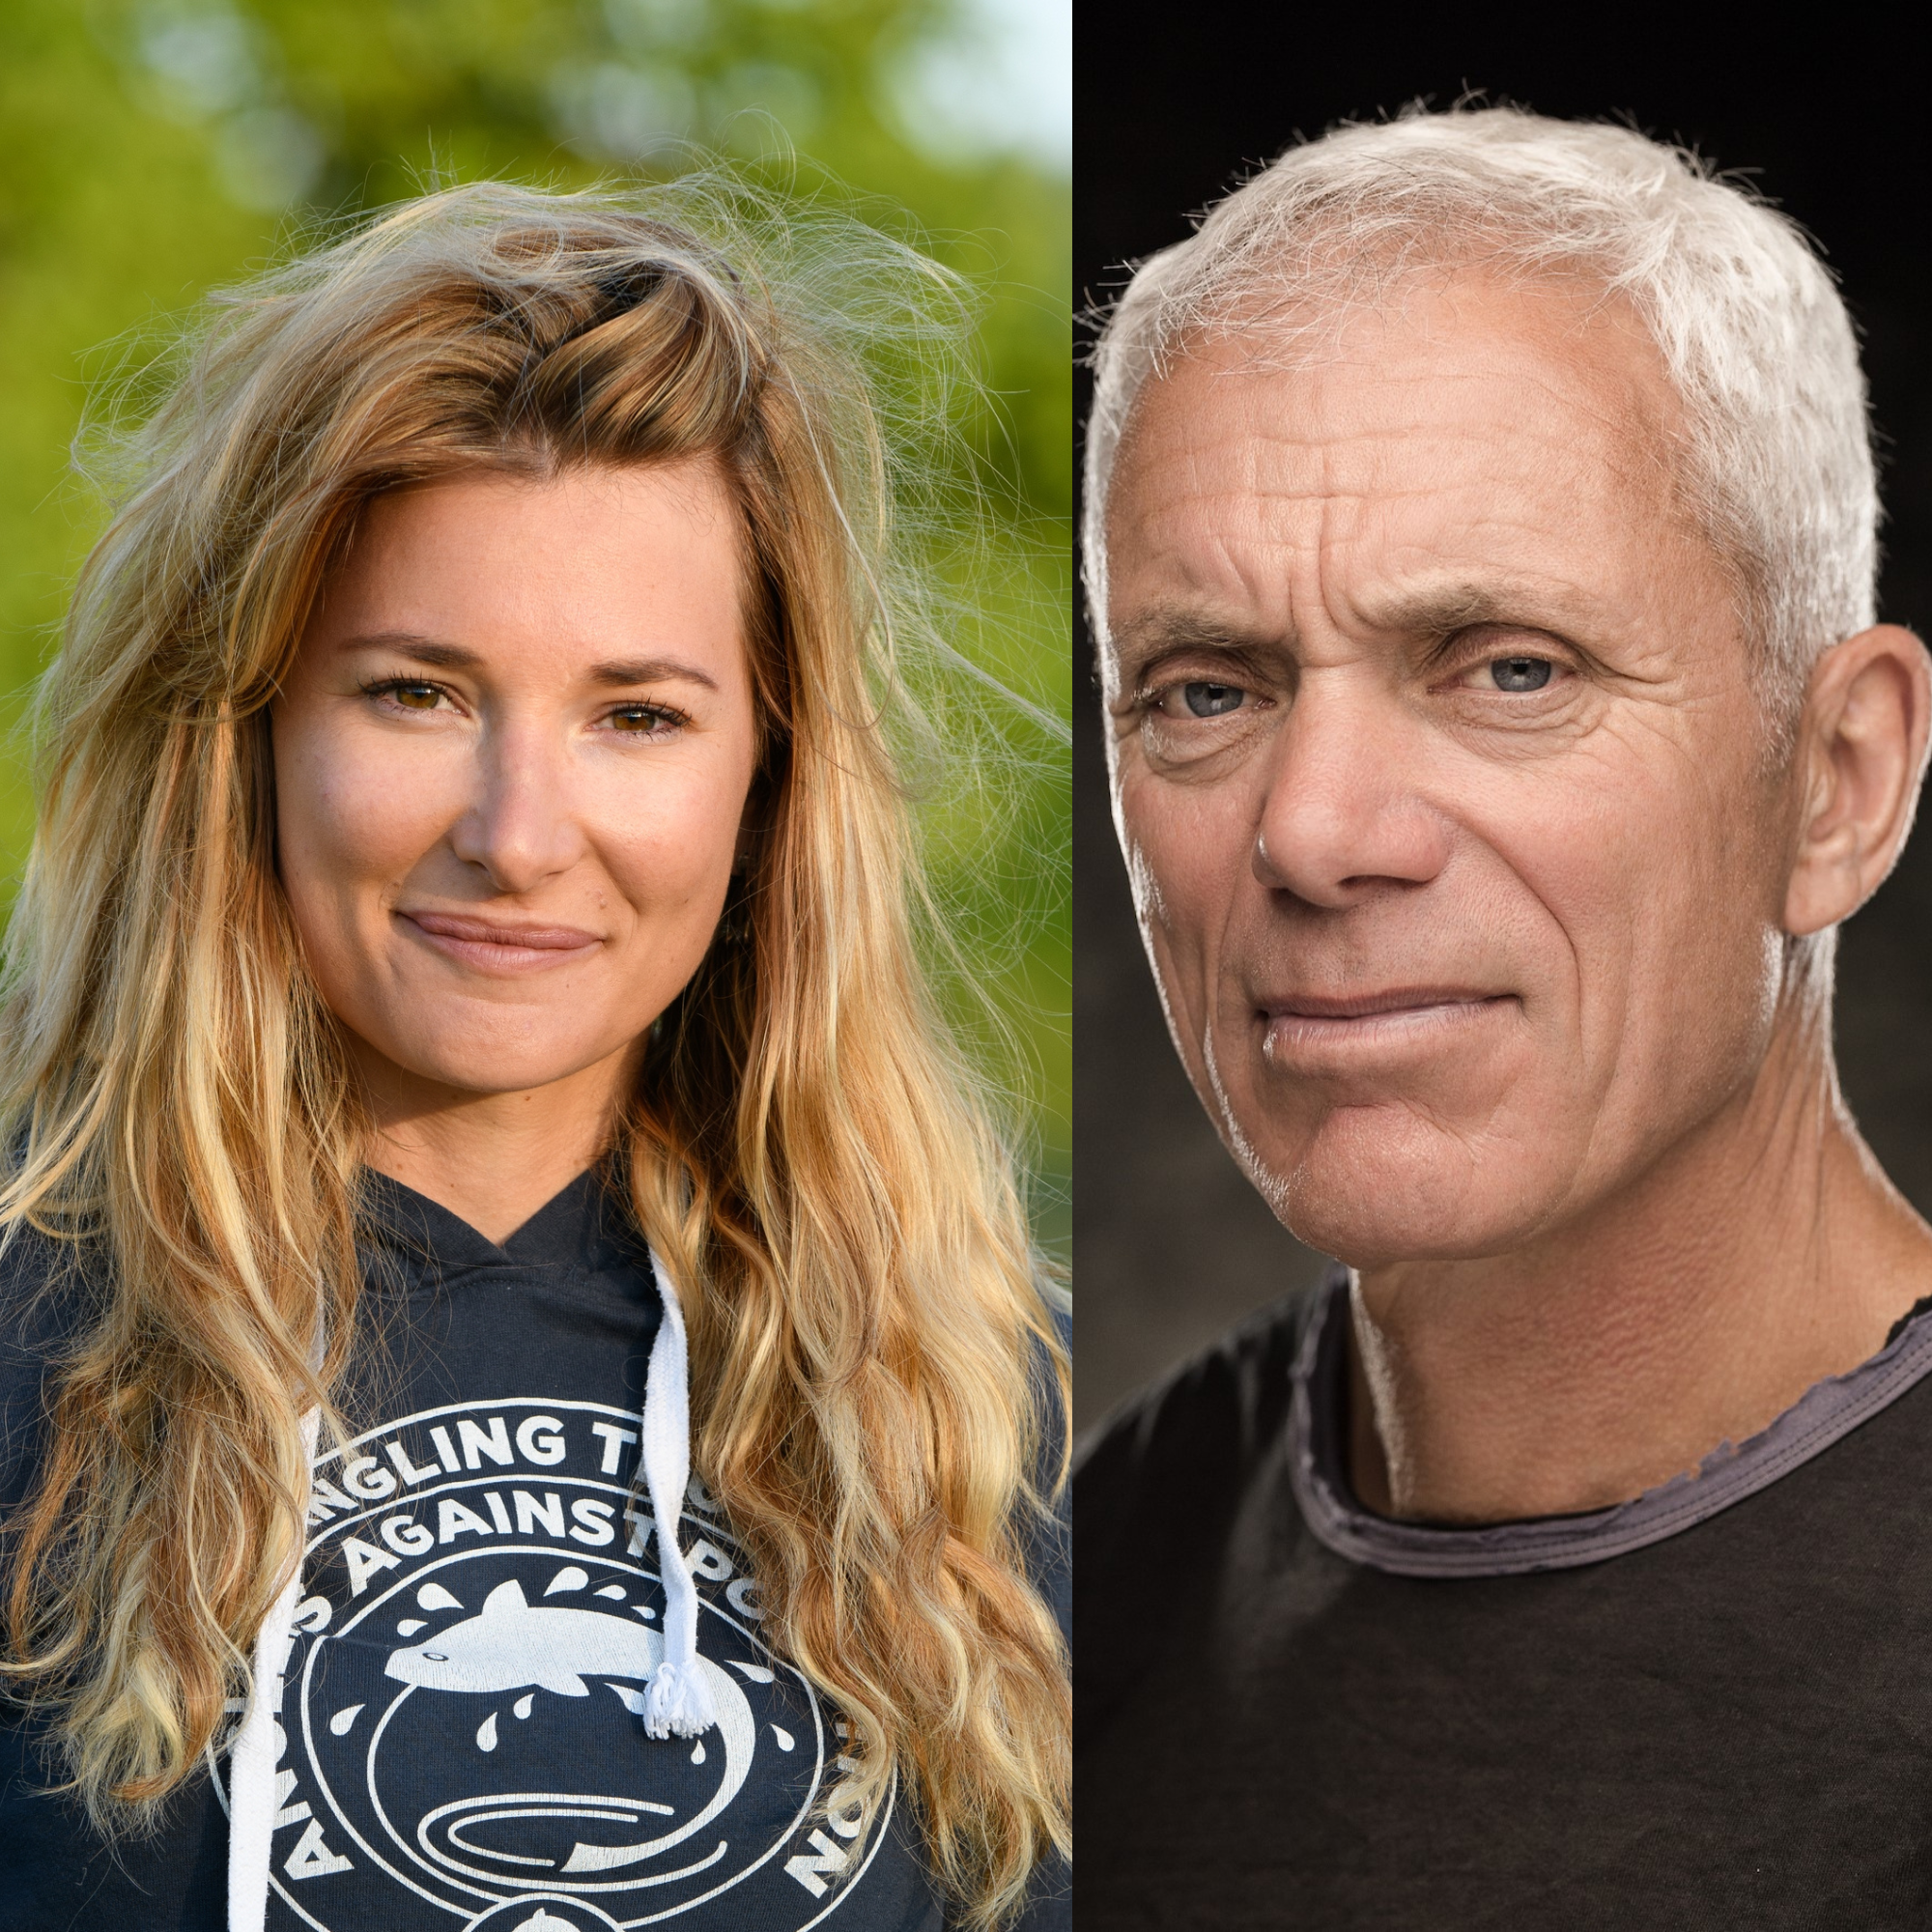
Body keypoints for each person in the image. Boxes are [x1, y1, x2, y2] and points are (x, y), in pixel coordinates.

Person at [0, 179, 1069, 1932]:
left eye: (637, 715)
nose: (518, 832)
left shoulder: (983, 1421)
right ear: (247, 726)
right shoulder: (31, 1342)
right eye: (415, 691)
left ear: (772, 777)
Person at [1076, 105, 1932, 1927]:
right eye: (1206, 690)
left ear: (1837, 779)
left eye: (1510, 670)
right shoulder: (1095, 1563)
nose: (1310, 831)